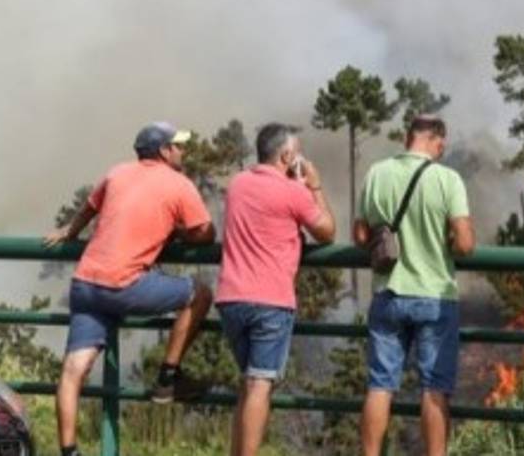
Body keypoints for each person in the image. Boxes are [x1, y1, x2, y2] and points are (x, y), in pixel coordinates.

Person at [43, 122, 216, 456]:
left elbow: (90, 206)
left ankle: (69, 452)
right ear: (165, 151)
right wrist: (177, 233)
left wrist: (71, 230)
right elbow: (205, 232)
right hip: (124, 285)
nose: (183, 151)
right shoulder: (178, 183)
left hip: (86, 284)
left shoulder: (117, 173)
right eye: (178, 146)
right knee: (201, 293)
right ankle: (168, 378)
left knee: (73, 370)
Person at [354, 114, 474, 456]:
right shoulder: (447, 179)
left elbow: (361, 235)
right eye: (441, 145)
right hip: (434, 297)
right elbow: (465, 244)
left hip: (388, 292)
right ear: (437, 140)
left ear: (408, 138)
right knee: (434, 388)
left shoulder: (377, 172)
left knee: (380, 385)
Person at [216, 123, 335, 456]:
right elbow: (326, 231)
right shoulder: (294, 192)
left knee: (247, 382)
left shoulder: (237, 183)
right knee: (259, 385)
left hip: (231, 298)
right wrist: (315, 186)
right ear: (287, 155)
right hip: (270, 301)